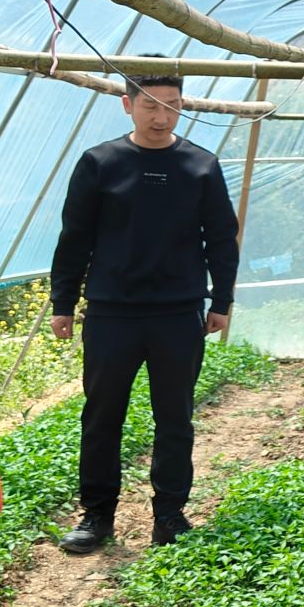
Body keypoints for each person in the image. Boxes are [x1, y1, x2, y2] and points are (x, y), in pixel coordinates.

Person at [50, 65, 240, 553]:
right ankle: (97, 516)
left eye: (172, 106)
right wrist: (63, 302)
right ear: (127, 104)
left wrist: (221, 299)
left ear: (183, 106)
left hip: (177, 313)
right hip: (112, 312)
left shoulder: (200, 165)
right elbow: (75, 237)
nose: (161, 117)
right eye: (150, 106)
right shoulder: (100, 163)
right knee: (101, 416)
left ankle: (170, 516)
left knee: (175, 418)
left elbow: (222, 238)